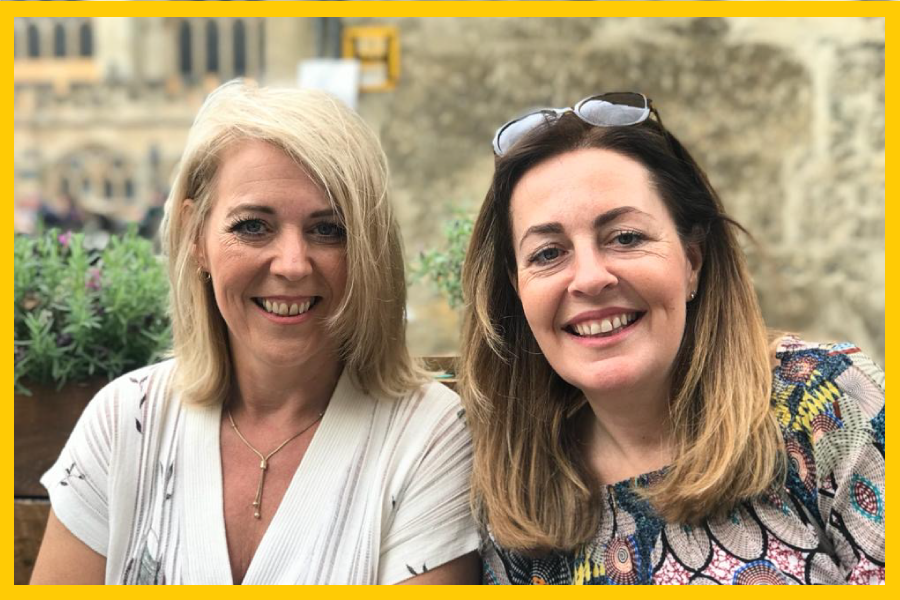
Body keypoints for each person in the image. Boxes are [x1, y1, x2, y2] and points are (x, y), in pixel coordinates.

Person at [31, 81, 480, 585]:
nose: (292, 264)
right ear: (195, 237)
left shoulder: (428, 438)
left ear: (368, 250)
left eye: (328, 229)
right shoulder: (125, 422)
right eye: (252, 226)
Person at [459, 93, 885, 585]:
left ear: (692, 262)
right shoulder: (515, 483)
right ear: (518, 293)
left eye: (625, 237)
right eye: (549, 253)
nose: (589, 278)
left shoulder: (825, 403)